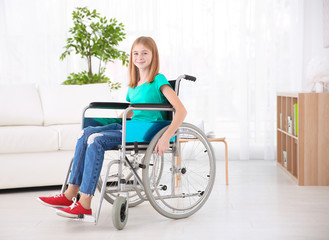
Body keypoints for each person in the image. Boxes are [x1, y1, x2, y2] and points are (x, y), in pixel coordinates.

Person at [37, 36, 187, 218]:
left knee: (96, 140)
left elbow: (180, 111)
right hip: (130, 128)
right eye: (136, 53)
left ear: (153, 55)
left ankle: (84, 204)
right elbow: (131, 112)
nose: (140, 57)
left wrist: (166, 137)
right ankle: (70, 194)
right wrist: (111, 124)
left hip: (146, 132)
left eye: (145, 53)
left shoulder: (158, 80)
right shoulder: (134, 86)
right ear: (131, 57)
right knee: (86, 133)